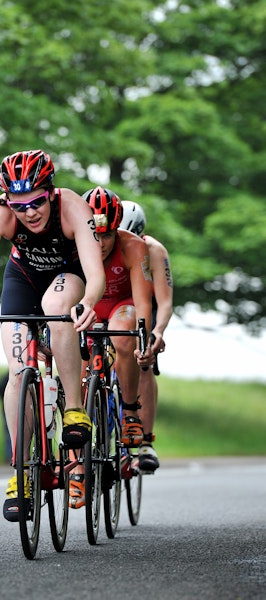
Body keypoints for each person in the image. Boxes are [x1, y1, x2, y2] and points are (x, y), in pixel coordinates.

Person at [0, 149, 112, 522]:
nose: (29, 213)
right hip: (22, 279)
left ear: (51, 192)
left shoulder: (72, 208)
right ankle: (21, 472)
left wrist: (88, 303)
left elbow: (96, 274)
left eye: (37, 202)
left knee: (56, 306)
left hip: (68, 277)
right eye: (19, 205)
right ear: (7, 200)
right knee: (17, 372)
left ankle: (74, 410)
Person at [71, 187, 154, 508]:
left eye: (107, 236)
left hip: (121, 304)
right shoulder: (70, 244)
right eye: (94, 235)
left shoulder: (133, 246)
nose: (100, 243)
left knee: (123, 335)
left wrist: (143, 335)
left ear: (117, 230)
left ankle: (130, 411)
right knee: (76, 380)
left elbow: (143, 302)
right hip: (87, 309)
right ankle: (78, 467)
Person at [120, 200, 173, 472]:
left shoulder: (154, 250)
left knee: (143, 364)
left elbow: (164, 302)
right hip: (114, 305)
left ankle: (146, 442)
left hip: (143, 308)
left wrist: (157, 331)